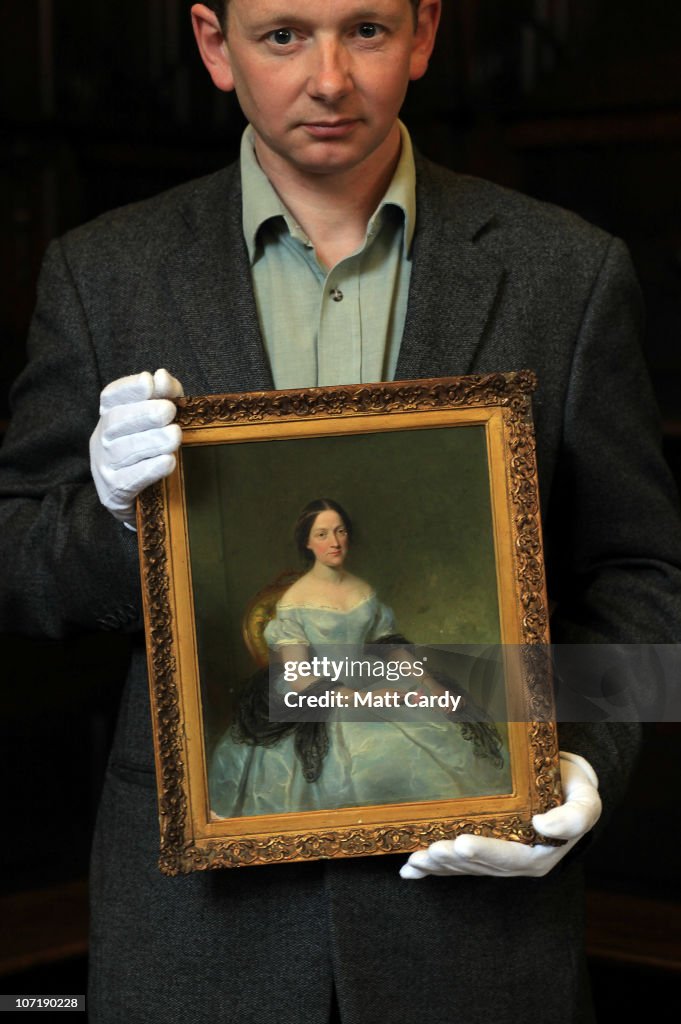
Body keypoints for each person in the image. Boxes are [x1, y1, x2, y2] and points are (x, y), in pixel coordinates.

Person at [0, 0, 680, 1021]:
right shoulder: (103, 275)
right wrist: (106, 516)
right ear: (212, 45)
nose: (327, 77)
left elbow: (645, 579)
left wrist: (580, 750)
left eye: (363, 29)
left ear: (425, 32)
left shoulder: (567, 272)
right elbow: (16, 565)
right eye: (282, 35)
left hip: (475, 949)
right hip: (196, 941)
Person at [209, 497, 509, 817]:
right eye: (322, 534)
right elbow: (298, 677)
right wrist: (365, 699)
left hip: (368, 680)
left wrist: (428, 683)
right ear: (307, 543)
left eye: (340, 531)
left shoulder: (363, 590)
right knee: (371, 764)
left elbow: (389, 646)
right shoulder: (295, 601)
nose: (335, 542)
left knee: (440, 733)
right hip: (321, 695)